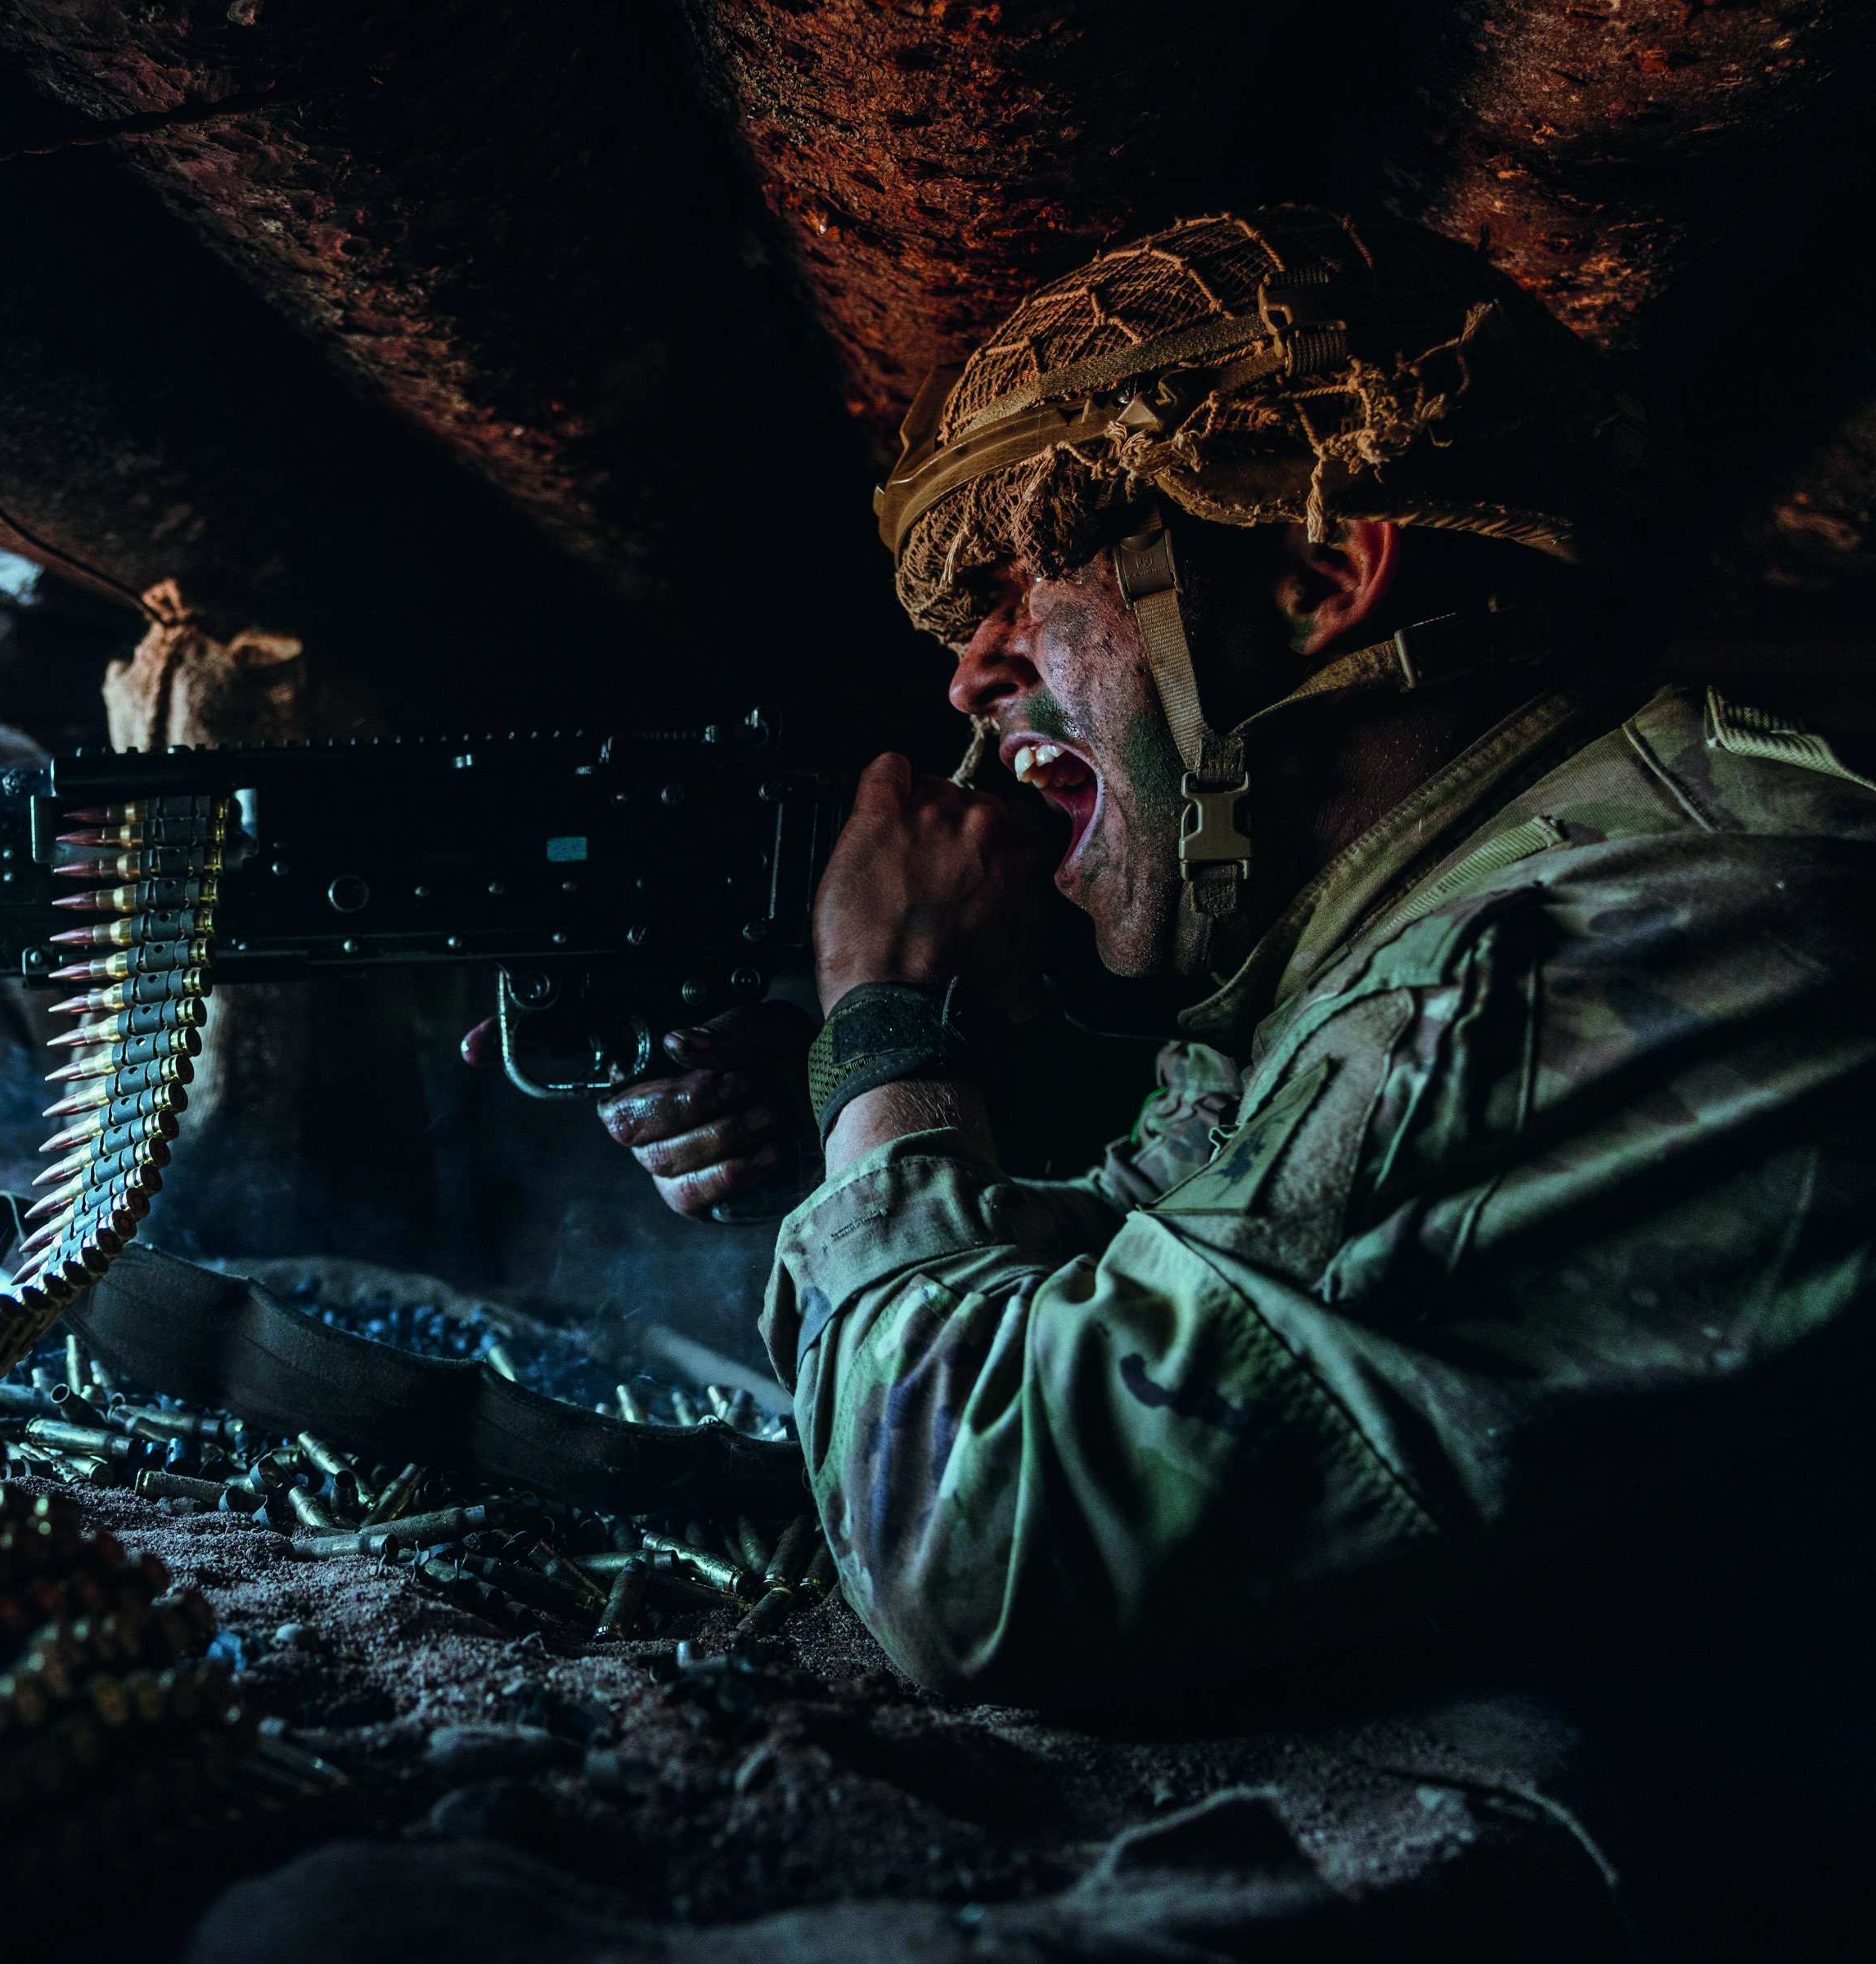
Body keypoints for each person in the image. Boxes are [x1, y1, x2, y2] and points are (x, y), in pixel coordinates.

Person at [581, 207, 1876, 1944]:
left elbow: (977, 1552)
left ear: (1322, 580)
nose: (970, 673)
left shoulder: (1630, 931)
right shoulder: (1405, 925)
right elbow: (1169, 1292)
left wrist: (897, 1044)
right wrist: (933, 1109)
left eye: (1032, 585)